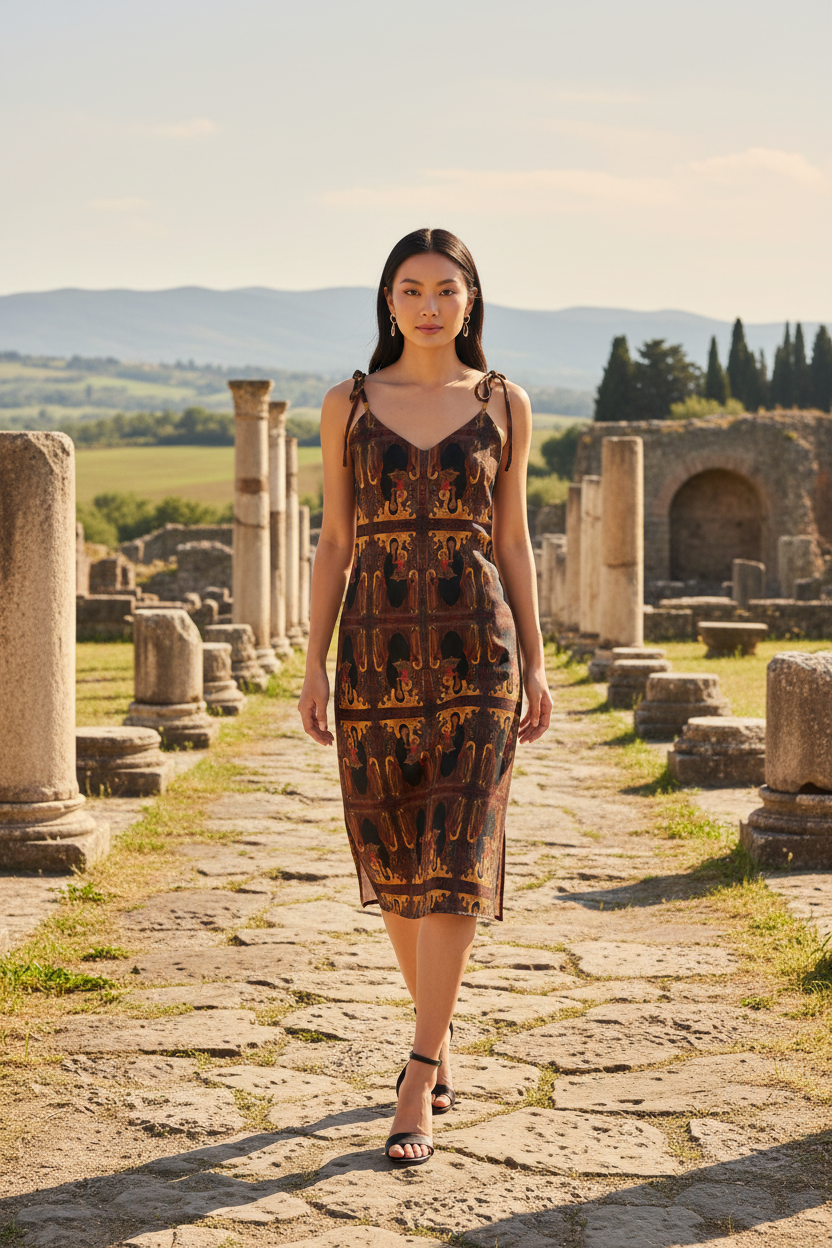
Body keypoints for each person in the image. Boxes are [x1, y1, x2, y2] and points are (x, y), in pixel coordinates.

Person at [299, 227, 552, 1165]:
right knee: (393, 854)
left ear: (472, 300)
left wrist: (535, 659)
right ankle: (438, 1032)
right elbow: (333, 542)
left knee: (454, 856)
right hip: (370, 653)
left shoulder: (503, 404)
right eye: (412, 289)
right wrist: (313, 662)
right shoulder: (348, 404)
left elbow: (514, 540)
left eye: (448, 288)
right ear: (389, 302)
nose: (431, 304)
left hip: (476, 658)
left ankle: (414, 1071)